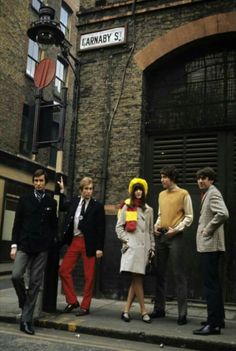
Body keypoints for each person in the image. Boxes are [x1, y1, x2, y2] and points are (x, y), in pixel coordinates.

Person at [10, 169, 58, 335]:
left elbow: (54, 226)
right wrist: (14, 245)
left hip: (41, 248)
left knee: (35, 283)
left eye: (41, 180)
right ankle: (24, 301)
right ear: (33, 182)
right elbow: (17, 224)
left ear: (45, 182)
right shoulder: (24, 199)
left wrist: (48, 242)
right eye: (36, 180)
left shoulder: (51, 203)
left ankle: (26, 320)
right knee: (16, 275)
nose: (38, 183)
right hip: (24, 245)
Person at [150, 165, 193, 325]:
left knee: (178, 274)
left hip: (176, 237)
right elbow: (161, 214)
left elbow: (189, 217)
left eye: (164, 177)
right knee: (160, 273)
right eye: (161, 177)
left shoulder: (183, 194)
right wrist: (156, 225)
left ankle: (182, 314)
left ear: (172, 178)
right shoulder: (161, 194)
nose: (161, 180)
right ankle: (159, 309)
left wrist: (176, 230)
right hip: (161, 236)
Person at [58, 176, 105, 316]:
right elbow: (62, 206)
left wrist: (99, 248)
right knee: (64, 270)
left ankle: (85, 306)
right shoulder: (74, 202)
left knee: (89, 276)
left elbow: (101, 229)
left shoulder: (97, 206)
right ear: (81, 190)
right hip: (75, 241)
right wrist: (61, 191)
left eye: (90, 189)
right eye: (86, 189)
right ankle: (72, 301)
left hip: (89, 244)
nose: (88, 192)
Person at [193, 167, 229, 336]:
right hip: (211, 246)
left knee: (210, 286)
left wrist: (207, 229)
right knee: (214, 284)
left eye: (204, 178)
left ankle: (213, 325)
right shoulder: (209, 193)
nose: (201, 181)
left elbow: (223, 213)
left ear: (211, 180)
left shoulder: (213, 193)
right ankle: (217, 319)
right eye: (199, 178)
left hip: (210, 246)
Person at [116, 177, 155, 323]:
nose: (138, 192)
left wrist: (152, 248)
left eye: (141, 190)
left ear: (144, 192)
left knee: (136, 279)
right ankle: (144, 311)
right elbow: (119, 227)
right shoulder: (127, 207)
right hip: (132, 248)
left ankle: (126, 310)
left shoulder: (149, 210)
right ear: (133, 192)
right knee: (138, 278)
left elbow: (150, 231)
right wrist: (126, 240)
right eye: (136, 189)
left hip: (144, 248)